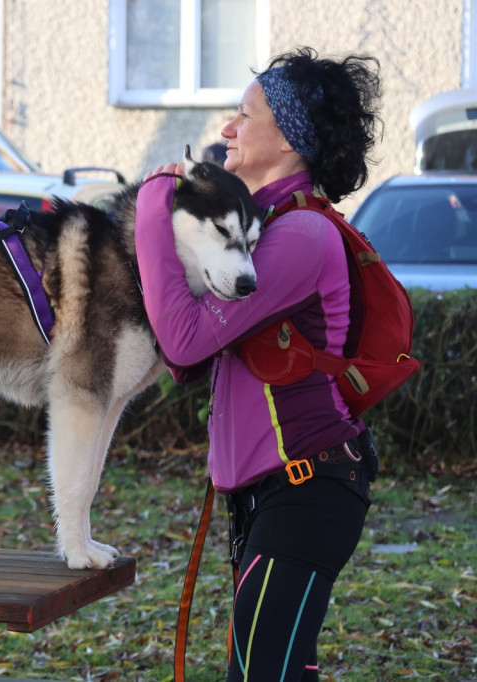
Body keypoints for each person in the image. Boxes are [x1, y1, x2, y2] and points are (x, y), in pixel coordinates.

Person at [133, 47, 382, 681]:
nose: (227, 130)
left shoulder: (300, 237)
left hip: (306, 491)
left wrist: (150, 208)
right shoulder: (262, 231)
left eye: (245, 115)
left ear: (291, 141)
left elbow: (185, 341)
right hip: (269, 496)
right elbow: (188, 361)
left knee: (263, 674)